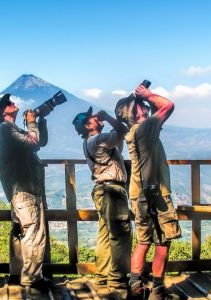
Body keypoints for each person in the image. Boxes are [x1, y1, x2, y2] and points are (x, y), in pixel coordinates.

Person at [115, 83, 182, 299]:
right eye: (141, 106)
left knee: (143, 241)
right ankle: (158, 290)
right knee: (163, 242)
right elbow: (168, 106)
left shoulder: (134, 132)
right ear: (137, 113)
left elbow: (156, 113)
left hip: (138, 194)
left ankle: (135, 286)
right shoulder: (145, 129)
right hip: (156, 194)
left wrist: (142, 100)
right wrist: (148, 94)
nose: (145, 106)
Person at [0, 93, 52, 294]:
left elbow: (40, 143)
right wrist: (33, 123)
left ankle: (16, 274)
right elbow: (34, 143)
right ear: (2, 111)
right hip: (25, 189)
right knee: (33, 233)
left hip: (22, 190)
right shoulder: (6, 129)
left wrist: (40, 121)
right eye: (8, 103)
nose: (13, 103)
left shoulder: (11, 130)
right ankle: (32, 278)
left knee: (19, 231)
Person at [72, 107, 132, 294]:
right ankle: (117, 279)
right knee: (120, 235)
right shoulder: (98, 140)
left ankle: (103, 275)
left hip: (102, 190)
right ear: (88, 125)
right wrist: (108, 117)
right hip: (111, 191)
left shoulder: (91, 142)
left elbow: (118, 140)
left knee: (106, 235)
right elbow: (122, 131)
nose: (97, 118)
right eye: (93, 118)